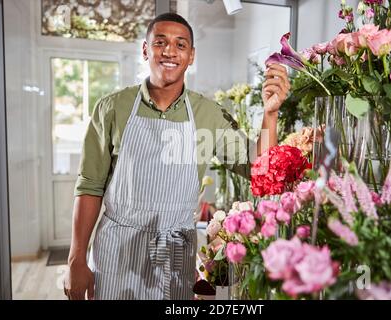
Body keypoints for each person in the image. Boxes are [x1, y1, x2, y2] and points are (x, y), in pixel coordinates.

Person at [63, 12, 290, 300]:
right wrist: (76, 259)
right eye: (160, 42)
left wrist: (270, 114)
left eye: (180, 45)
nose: (170, 51)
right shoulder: (112, 108)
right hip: (115, 252)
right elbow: (89, 186)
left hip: (175, 257)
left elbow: (260, 172)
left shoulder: (208, 113)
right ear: (146, 50)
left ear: (191, 55)